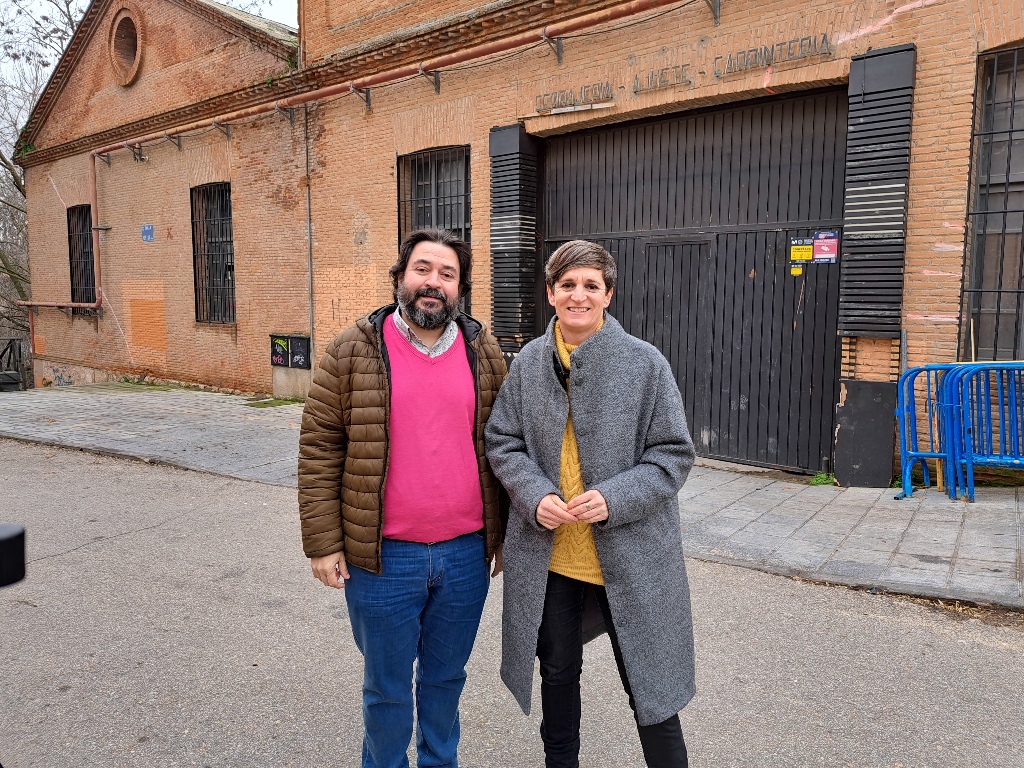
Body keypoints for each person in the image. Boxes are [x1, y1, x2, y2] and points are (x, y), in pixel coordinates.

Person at [297, 228, 507, 768]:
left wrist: (503, 535)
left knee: (445, 680)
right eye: (422, 270)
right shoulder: (352, 350)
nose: (432, 283)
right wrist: (324, 544)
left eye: (447, 274)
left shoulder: (483, 351)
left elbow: (507, 446)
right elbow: (320, 448)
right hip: (383, 559)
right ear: (399, 277)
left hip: (465, 555)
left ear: (461, 289)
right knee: (387, 689)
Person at [485, 239, 696, 768]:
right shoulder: (530, 362)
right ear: (551, 293)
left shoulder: (646, 365)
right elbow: (502, 440)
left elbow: (673, 454)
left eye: (591, 285)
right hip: (552, 556)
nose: (578, 295)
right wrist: (534, 496)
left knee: (648, 683)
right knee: (557, 673)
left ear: (608, 295)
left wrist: (615, 497)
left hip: (630, 551)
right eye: (567, 285)